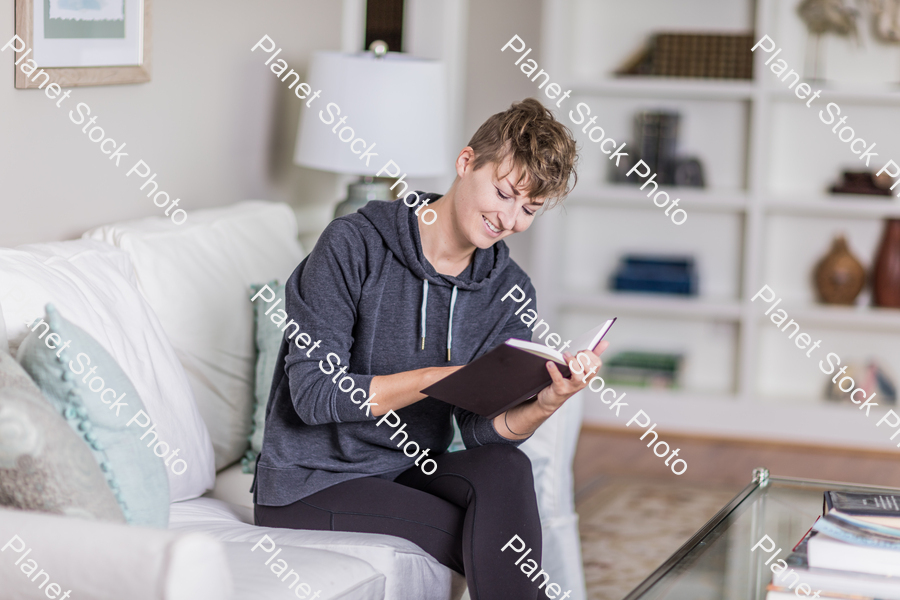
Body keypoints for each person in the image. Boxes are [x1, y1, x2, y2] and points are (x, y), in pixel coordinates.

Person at [252, 97, 606, 599]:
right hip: (313, 480)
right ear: (466, 163)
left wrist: (547, 403)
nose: (509, 220)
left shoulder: (507, 288)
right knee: (489, 539)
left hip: (409, 467)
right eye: (504, 194)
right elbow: (312, 395)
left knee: (508, 467)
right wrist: (434, 379)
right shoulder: (354, 245)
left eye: (529, 209)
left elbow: (482, 433)